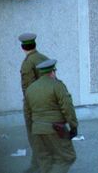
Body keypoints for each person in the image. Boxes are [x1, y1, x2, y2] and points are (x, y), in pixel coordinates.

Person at [24, 59, 78, 173]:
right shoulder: (57, 85)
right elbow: (67, 108)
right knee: (66, 157)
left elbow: (27, 113)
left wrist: (31, 130)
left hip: (37, 130)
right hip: (55, 129)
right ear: (53, 71)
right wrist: (73, 126)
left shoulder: (30, 88)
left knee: (45, 160)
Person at [19, 33, 50, 172]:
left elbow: (28, 88)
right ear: (35, 45)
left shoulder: (28, 63)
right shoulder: (44, 58)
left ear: (22, 47)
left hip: (35, 105)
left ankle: (38, 165)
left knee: (34, 136)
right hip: (48, 103)